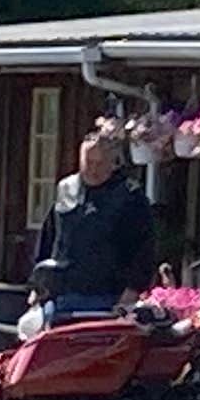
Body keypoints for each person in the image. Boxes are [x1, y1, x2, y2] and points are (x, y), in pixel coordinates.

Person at [32, 127, 160, 321]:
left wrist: (133, 290)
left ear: (112, 163)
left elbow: (145, 248)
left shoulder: (129, 196)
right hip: (61, 295)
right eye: (88, 162)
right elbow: (49, 237)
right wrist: (37, 286)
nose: (92, 169)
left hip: (107, 297)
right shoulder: (66, 189)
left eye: (99, 164)